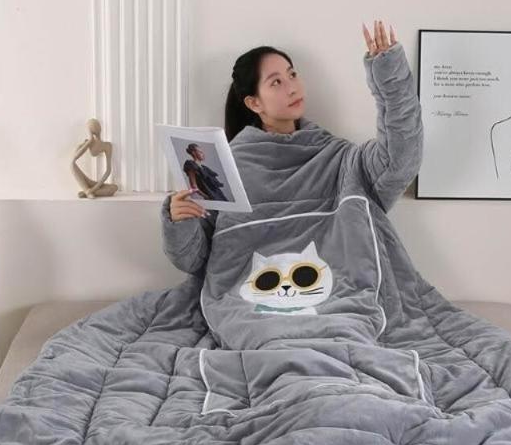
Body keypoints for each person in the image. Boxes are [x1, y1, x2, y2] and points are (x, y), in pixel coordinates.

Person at [160, 19, 423, 279]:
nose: (292, 87)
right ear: (254, 103)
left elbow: (399, 162)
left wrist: (391, 80)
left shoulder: (338, 159)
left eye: (292, 74)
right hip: (248, 291)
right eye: (276, 82)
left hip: (335, 287)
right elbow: (194, 261)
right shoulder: (228, 168)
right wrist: (180, 222)